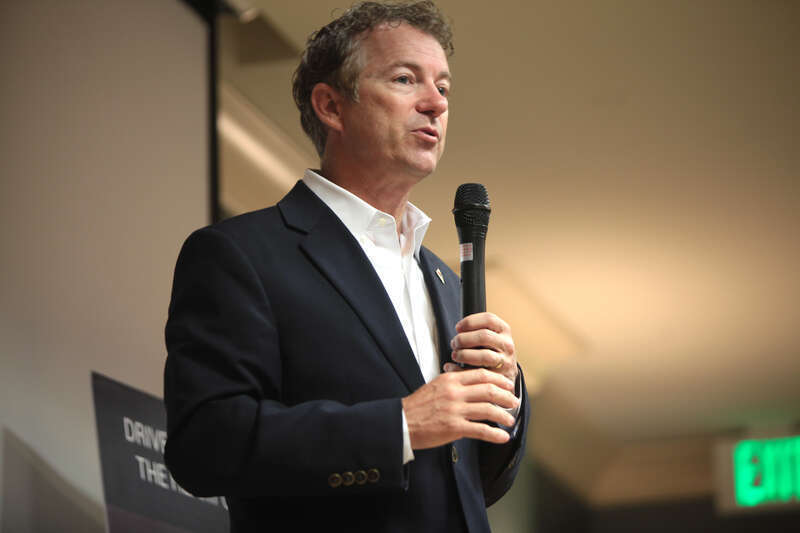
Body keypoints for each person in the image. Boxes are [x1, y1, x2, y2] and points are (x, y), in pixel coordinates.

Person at [163, 2, 529, 531]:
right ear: (332, 106)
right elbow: (206, 443)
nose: (435, 104)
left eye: (444, 88)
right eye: (406, 79)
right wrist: (400, 426)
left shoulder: (446, 282)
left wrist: (504, 394)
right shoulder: (242, 254)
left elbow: (473, 485)